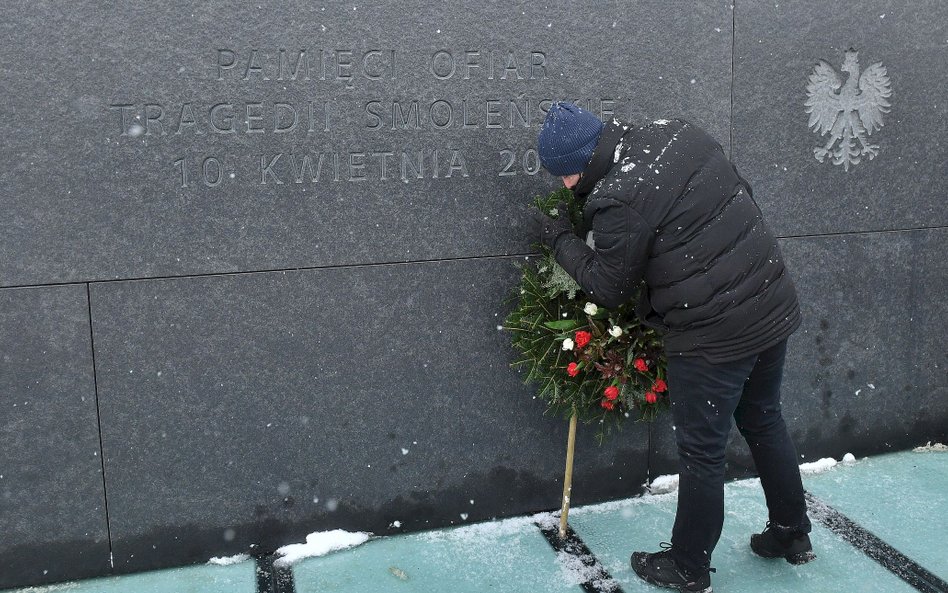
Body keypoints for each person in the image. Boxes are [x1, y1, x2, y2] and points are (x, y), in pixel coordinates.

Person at [529, 102, 815, 593]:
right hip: (769, 299)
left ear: (580, 163)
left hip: (712, 335)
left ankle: (688, 567)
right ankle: (792, 533)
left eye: (564, 177)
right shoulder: (676, 131)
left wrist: (560, 241)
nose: (564, 187)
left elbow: (609, 286)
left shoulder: (617, 198)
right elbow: (739, 192)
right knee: (764, 418)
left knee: (702, 453)